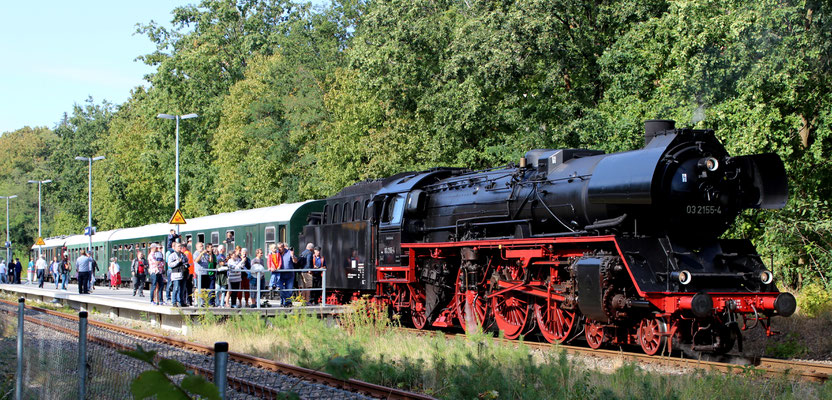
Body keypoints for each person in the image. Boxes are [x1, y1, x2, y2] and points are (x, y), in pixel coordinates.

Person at [193, 242, 212, 307]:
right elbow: (196, 260)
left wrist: (210, 254)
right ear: (197, 247)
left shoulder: (206, 254)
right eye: (200, 246)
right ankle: (196, 301)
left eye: (202, 246)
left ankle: (203, 301)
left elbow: (210, 261)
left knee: (205, 288)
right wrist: (201, 253)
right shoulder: (196, 253)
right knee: (198, 287)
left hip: (205, 272)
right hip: (199, 273)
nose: (202, 247)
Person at [166, 242, 186, 307]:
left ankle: (181, 302)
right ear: (174, 248)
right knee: (176, 288)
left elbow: (186, 261)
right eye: (178, 246)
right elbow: (170, 264)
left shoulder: (183, 255)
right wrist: (177, 261)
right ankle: (174, 302)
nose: (180, 248)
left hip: (182, 273)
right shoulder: (172, 255)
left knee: (182, 289)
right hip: (176, 274)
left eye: (180, 246)